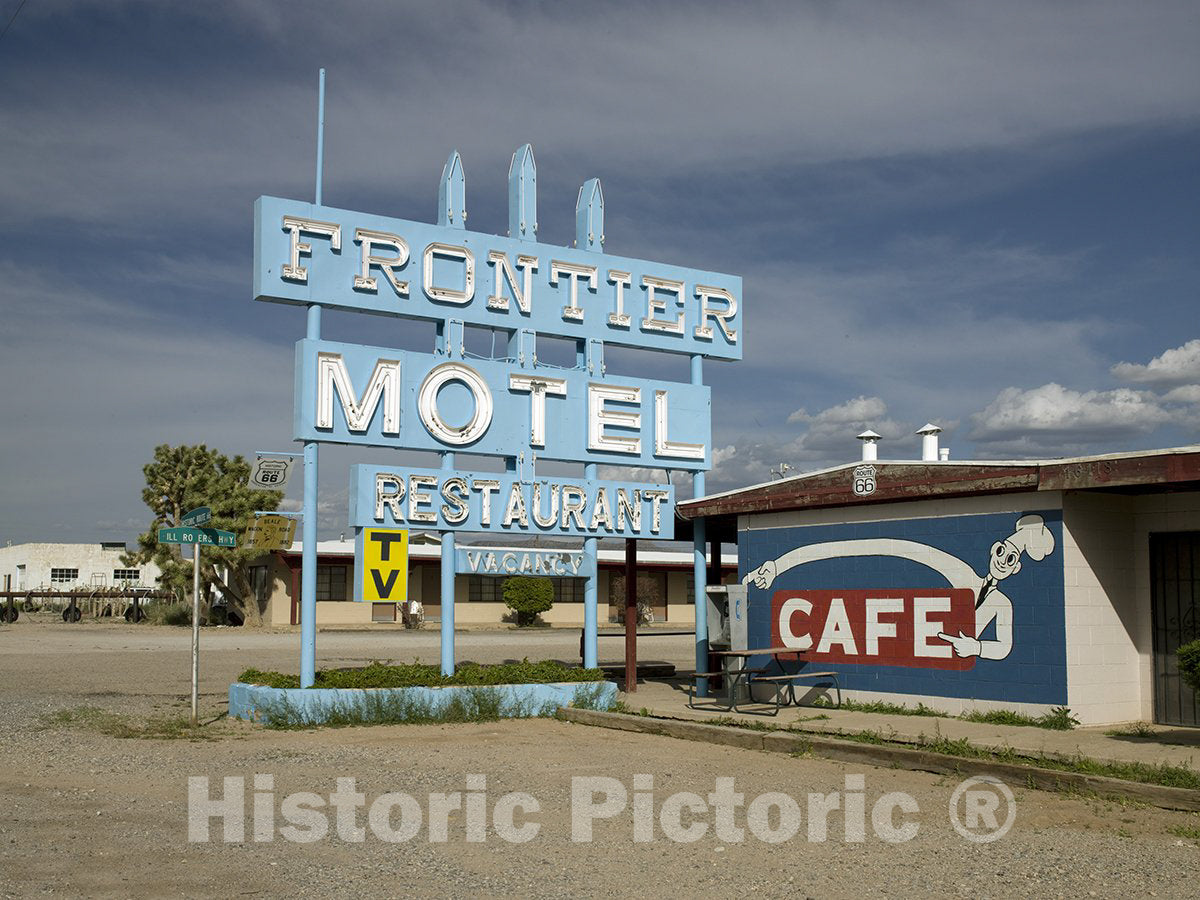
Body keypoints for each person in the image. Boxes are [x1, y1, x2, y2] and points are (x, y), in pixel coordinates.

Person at [745, 514, 1055, 661]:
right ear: (993, 549)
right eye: (1001, 550)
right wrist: (779, 565)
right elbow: (888, 545)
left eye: (1011, 557)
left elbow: (1005, 647)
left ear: (1017, 567)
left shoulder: (1003, 605)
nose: (1002, 559)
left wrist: (977, 647)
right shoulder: (961, 574)